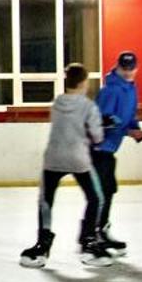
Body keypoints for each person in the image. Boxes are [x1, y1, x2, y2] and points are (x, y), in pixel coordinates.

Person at [20, 65, 113, 268]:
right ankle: (88, 240)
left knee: (46, 200)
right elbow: (97, 137)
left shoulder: (57, 103)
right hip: (78, 158)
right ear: (83, 82)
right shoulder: (89, 106)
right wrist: (103, 126)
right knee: (96, 198)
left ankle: (43, 242)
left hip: (53, 158)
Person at [92, 51, 142, 252]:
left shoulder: (130, 89)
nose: (128, 72)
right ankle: (93, 235)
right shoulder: (110, 91)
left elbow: (129, 114)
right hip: (98, 149)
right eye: (124, 68)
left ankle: (101, 231)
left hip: (108, 150)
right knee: (100, 194)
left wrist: (135, 128)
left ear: (136, 67)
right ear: (118, 66)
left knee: (108, 191)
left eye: (131, 68)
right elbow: (102, 123)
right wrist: (128, 131)